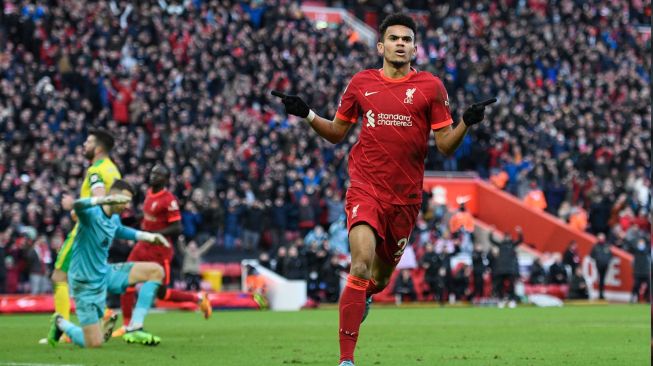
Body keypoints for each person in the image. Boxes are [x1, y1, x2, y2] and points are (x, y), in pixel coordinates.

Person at [272, 13, 496, 366]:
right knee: (359, 266)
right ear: (381, 46)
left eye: (407, 39)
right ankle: (346, 360)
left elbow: (446, 145)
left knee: (377, 279)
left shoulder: (431, 87)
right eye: (394, 38)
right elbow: (336, 133)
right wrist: (307, 113)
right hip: (365, 188)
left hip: (405, 200)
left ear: (415, 48)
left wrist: (466, 121)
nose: (401, 44)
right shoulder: (361, 83)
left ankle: (367, 297)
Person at [47, 180, 170, 348]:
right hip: (85, 283)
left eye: (128, 202)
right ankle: (61, 323)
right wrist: (102, 200)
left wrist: (148, 237)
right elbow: (78, 206)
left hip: (105, 273)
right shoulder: (91, 214)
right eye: (123, 199)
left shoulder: (114, 218)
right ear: (112, 196)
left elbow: (120, 230)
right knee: (94, 344)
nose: (126, 205)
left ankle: (134, 327)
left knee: (156, 271)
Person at [115, 164, 212, 337]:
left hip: (159, 251)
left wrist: (153, 234)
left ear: (166, 180)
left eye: (158, 175)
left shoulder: (169, 200)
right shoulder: (149, 193)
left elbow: (177, 227)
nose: (153, 176)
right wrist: (133, 221)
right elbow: (148, 217)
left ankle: (198, 299)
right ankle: (127, 325)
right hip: (142, 246)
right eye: (152, 172)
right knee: (125, 281)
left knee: (163, 294)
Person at [50, 129, 121, 332]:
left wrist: (77, 209)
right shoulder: (113, 170)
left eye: (88, 142)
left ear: (98, 148)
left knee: (59, 276)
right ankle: (105, 313)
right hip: (104, 231)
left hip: (86, 231)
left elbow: (99, 197)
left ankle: (60, 330)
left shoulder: (95, 170)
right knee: (87, 278)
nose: (84, 145)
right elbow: (114, 204)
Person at [489, 226, 522, 308]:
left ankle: (512, 300)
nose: (507, 238)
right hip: (501, 269)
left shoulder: (512, 244)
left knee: (511, 286)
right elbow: (491, 240)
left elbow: (520, 240)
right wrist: (491, 232)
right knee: (499, 286)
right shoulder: (500, 245)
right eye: (505, 236)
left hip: (510, 269)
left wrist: (520, 233)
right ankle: (501, 300)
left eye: (508, 236)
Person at [590, 233, 613, 299]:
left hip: (605, 265)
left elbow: (610, 255)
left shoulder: (607, 245)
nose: (601, 239)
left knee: (603, 280)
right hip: (599, 265)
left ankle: (602, 294)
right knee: (600, 279)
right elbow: (591, 255)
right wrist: (597, 259)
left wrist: (607, 261)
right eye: (600, 237)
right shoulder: (595, 246)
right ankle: (600, 294)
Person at [628, 237, 650, 303]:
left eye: (642, 242)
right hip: (637, 272)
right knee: (636, 285)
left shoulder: (647, 251)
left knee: (649, 285)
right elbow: (630, 246)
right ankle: (633, 298)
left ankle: (647, 298)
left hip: (645, 272)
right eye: (640, 242)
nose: (641, 244)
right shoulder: (636, 251)